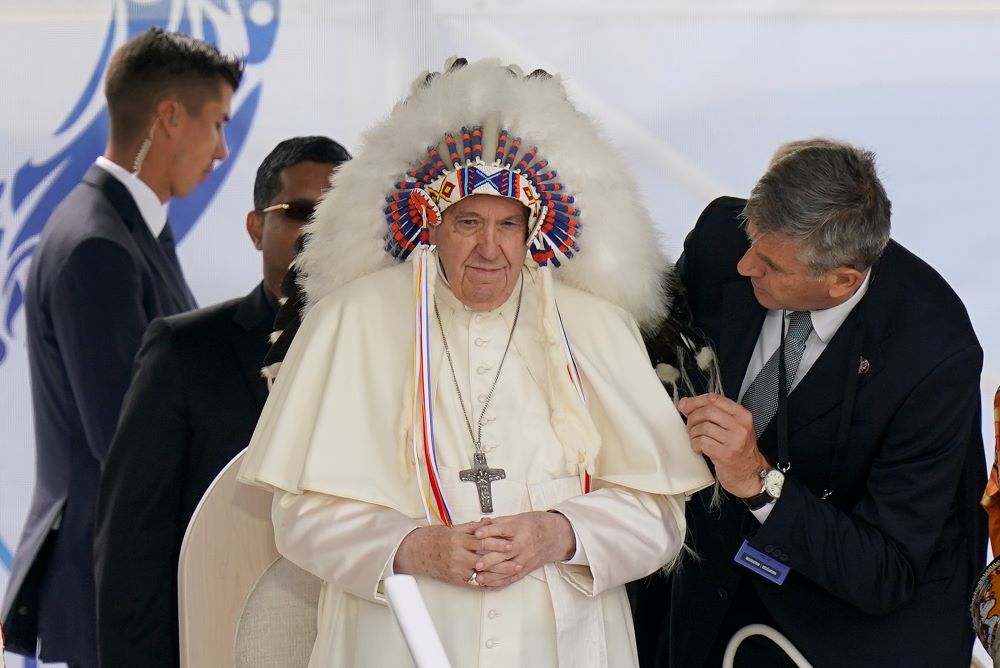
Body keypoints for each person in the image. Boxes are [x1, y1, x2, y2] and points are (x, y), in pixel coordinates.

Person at [238, 58, 714, 668]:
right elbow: (300, 518)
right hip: (395, 640)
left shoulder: (596, 327)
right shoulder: (352, 321)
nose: (490, 248)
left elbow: (659, 517)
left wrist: (560, 534)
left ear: (531, 231)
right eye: (469, 223)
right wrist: (412, 546)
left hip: (559, 647)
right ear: (433, 226)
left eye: (507, 225)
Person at [665, 138, 986, 666]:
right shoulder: (724, 238)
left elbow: (888, 570)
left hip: (845, 630)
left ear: (843, 281)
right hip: (708, 585)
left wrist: (758, 481)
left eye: (769, 264)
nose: (744, 266)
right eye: (750, 240)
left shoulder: (933, 355)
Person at [1, 28, 243, 668]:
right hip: (111, 595)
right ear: (169, 116)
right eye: (216, 123)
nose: (222, 151)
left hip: (121, 583)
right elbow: (127, 446)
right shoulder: (98, 248)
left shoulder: (123, 232)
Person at [92, 136, 350, 668]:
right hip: (218, 635)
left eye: (341, 212)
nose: (322, 229)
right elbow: (132, 552)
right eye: (302, 211)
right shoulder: (185, 350)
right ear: (257, 228)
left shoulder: (398, 351)